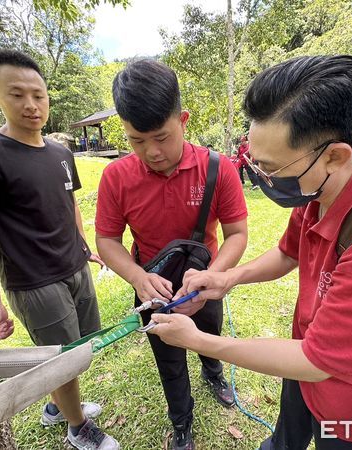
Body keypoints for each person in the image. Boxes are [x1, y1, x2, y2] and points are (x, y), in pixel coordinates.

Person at [147, 55, 352, 450]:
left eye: (272, 168)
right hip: (301, 367)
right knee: (284, 440)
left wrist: (197, 341)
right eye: (256, 165)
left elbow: (319, 362)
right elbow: (288, 253)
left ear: (335, 154)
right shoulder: (319, 187)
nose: (264, 179)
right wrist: (226, 278)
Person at [0, 49, 118, 450]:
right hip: (34, 281)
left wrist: (83, 245)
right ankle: (78, 428)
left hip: (75, 266)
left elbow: (69, 202)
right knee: (63, 363)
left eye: (38, 95)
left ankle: (57, 408)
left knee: (80, 349)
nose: (31, 105)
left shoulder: (60, 153)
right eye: (17, 94)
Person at [95, 59, 248, 450]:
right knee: (169, 361)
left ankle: (213, 371)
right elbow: (107, 240)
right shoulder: (116, 176)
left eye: (161, 137)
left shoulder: (219, 169)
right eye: (136, 140)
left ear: (183, 119)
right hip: (153, 287)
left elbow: (236, 234)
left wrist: (212, 278)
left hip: (206, 278)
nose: (152, 152)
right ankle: (182, 423)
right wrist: (136, 277)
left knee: (208, 335)